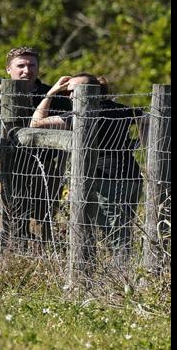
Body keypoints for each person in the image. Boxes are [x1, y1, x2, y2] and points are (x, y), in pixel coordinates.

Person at [0, 46, 69, 250]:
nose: (27, 70)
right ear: (8, 69)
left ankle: (36, 260)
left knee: (42, 214)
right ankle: (2, 260)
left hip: (41, 163)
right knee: (7, 211)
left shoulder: (49, 93)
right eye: (21, 66)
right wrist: (5, 88)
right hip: (1, 161)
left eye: (32, 65)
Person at [31, 73, 145, 270]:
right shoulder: (122, 110)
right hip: (130, 177)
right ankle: (111, 277)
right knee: (117, 233)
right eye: (68, 92)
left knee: (111, 236)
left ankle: (119, 279)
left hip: (104, 179)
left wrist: (51, 92)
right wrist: (138, 144)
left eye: (74, 91)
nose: (70, 96)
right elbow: (147, 121)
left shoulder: (81, 116)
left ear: (92, 93)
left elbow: (36, 123)